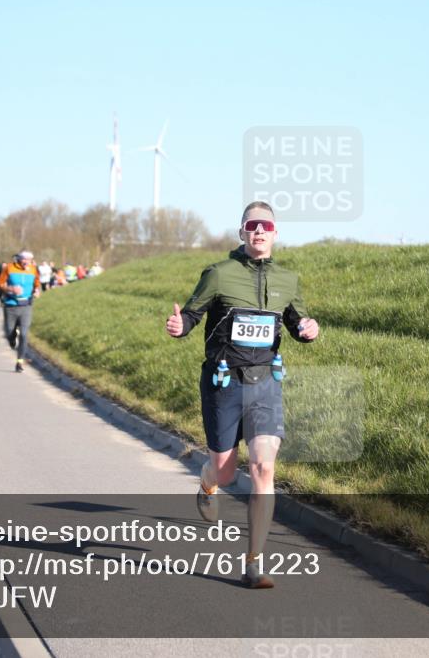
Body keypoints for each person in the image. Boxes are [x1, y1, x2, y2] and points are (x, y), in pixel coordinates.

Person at [165, 201, 319, 588]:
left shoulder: (288, 279)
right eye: (252, 225)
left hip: (266, 382)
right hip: (224, 382)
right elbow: (193, 313)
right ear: (242, 232)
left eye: (266, 225)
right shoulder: (219, 274)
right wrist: (179, 324)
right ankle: (207, 481)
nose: (259, 231)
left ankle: (254, 563)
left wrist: (307, 329)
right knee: (227, 471)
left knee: (264, 469)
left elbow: (296, 320)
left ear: (275, 232)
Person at [0, 249, 40, 373]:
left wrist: (37, 291)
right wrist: (10, 289)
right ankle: (12, 338)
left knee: (24, 334)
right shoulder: (9, 268)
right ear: (19, 259)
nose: (27, 262)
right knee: (9, 331)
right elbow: (0, 283)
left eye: (29, 259)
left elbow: (37, 284)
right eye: (24, 259)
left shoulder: (33, 269)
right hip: (11, 305)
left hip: (26, 305)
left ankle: (20, 361)